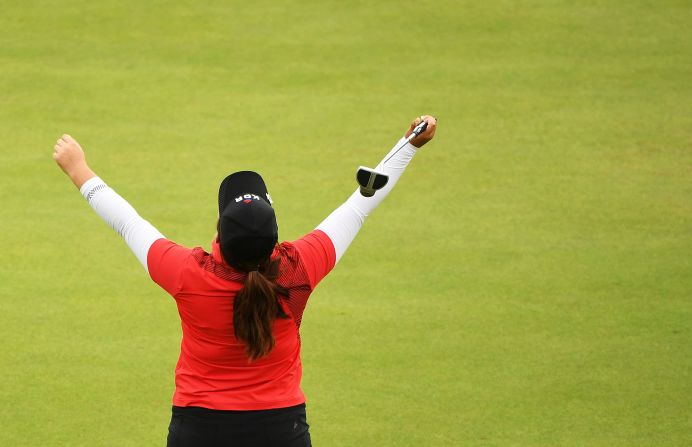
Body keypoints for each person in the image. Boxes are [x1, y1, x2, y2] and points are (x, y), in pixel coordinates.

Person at [52, 115, 437, 446]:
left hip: (199, 430)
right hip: (280, 430)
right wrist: (408, 144)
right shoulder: (298, 268)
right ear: (274, 236)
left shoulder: (187, 273)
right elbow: (360, 204)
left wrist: (78, 168)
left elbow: (126, 222)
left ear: (219, 231)